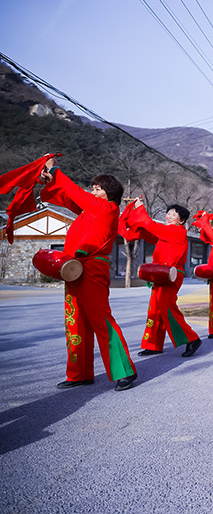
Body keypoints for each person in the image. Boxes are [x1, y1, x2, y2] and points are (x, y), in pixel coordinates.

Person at [38, 158, 138, 391]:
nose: (92, 190)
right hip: (73, 269)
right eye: (92, 187)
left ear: (109, 194)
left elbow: (73, 191)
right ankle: (79, 373)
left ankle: (125, 370)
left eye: (97, 188)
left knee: (101, 320)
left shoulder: (107, 209)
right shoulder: (89, 210)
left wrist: (55, 169)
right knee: (75, 322)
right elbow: (66, 197)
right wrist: (48, 181)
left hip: (92, 269)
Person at [126, 199, 202, 357]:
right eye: (168, 213)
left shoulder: (177, 231)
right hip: (160, 273)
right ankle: (152, 344)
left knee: (167, 306)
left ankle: (192, 339)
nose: (168, 216)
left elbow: (151, 226)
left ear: (181, 221)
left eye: (173, 215)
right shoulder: (166, 233)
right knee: (155, 308)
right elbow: (150, 232)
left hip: (170, 275)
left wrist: (140, 209)